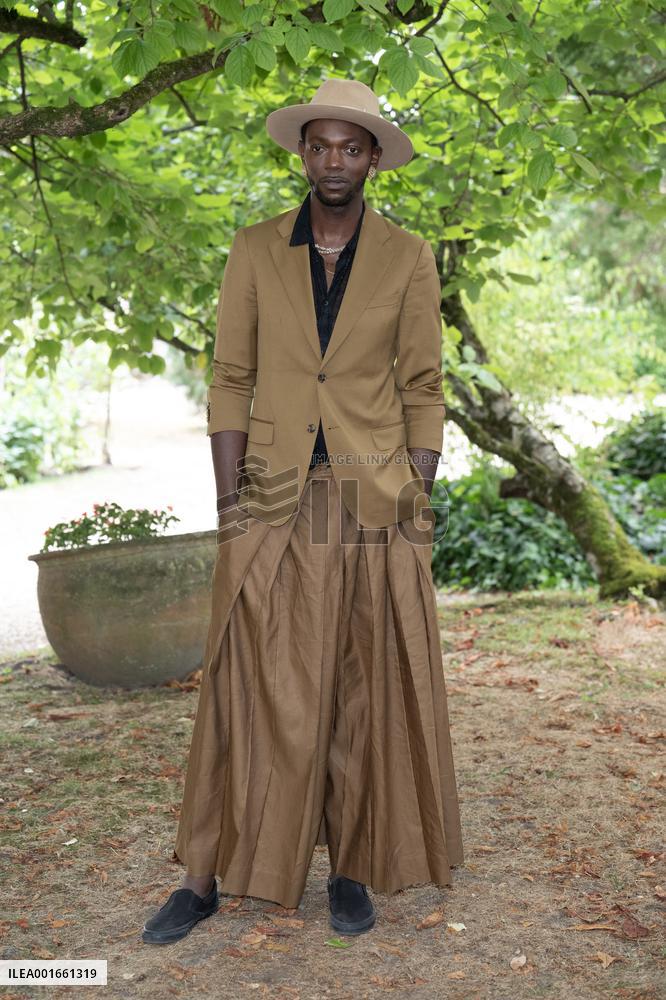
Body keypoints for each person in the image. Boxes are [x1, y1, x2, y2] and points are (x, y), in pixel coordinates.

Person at [142, 77, 463, 945]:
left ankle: (349, 869)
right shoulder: (254, 249)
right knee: (247, 684)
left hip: (370, 499)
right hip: (272, 497)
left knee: (360, 685)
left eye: (350, 147)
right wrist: (230, 505)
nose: (333, 161)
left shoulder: (408, 257)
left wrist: (415, 491)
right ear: (302, 154)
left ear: (373, 159)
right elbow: (230, 379)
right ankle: (205, 877)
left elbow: (424, 386)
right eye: (319, 146)